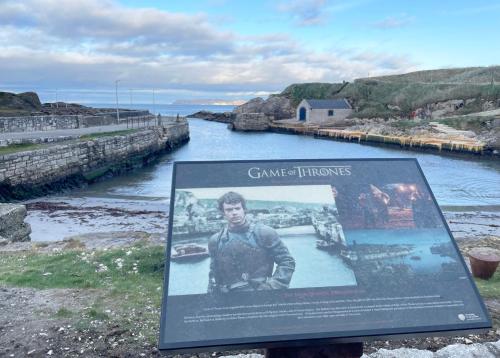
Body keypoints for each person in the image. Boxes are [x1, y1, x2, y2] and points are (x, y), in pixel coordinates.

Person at [207, 191, 295, 294]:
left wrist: (272, 287)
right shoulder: (216, 240)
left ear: (244, 210)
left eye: (237, 208)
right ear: (223, 213)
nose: (234, 213)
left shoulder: (264, 233)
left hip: (261, 295)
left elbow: (287, 261)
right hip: (229, 298)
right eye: (229, 210)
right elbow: (213, 274)